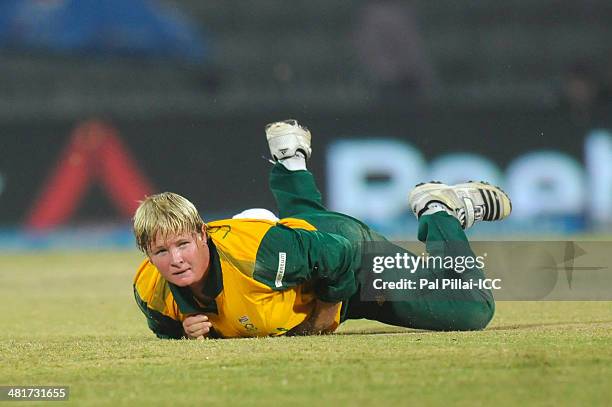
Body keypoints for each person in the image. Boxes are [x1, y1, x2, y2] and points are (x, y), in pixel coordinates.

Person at [133, 119, 511, 339]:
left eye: (182, 243)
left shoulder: (258, 254)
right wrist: (185, 329)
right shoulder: (149, 289)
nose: (176, 259)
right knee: (299, 242)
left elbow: (340, 256)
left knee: (471, 310)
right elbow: (164, 326)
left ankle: (438, 209)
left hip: (347, 257)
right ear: (147, 255)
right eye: (161, 252)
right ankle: (290, 164)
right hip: (301, 243)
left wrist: (322, 317)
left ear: (202, 233)